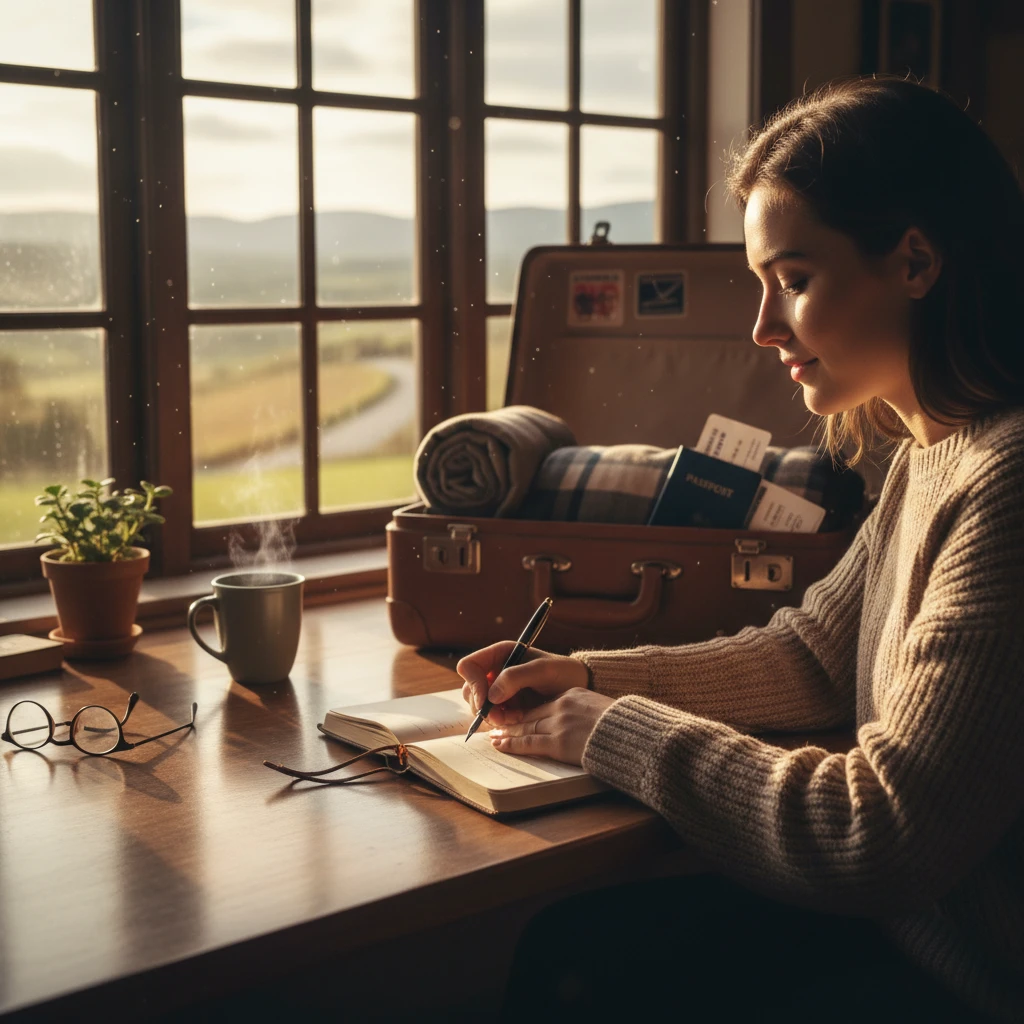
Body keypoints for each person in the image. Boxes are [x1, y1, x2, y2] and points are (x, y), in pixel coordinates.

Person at [458, 77, 1024, 1023]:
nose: (763, 328)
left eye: (794, 282)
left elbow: (877, 833)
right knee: (575, 949)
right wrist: (587, 671)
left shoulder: (1006, 488)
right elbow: (812, 651)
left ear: (916, 261)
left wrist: (607, 729)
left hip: (965, 980)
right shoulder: (935, 454)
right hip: (901, 937)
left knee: (583, 971)